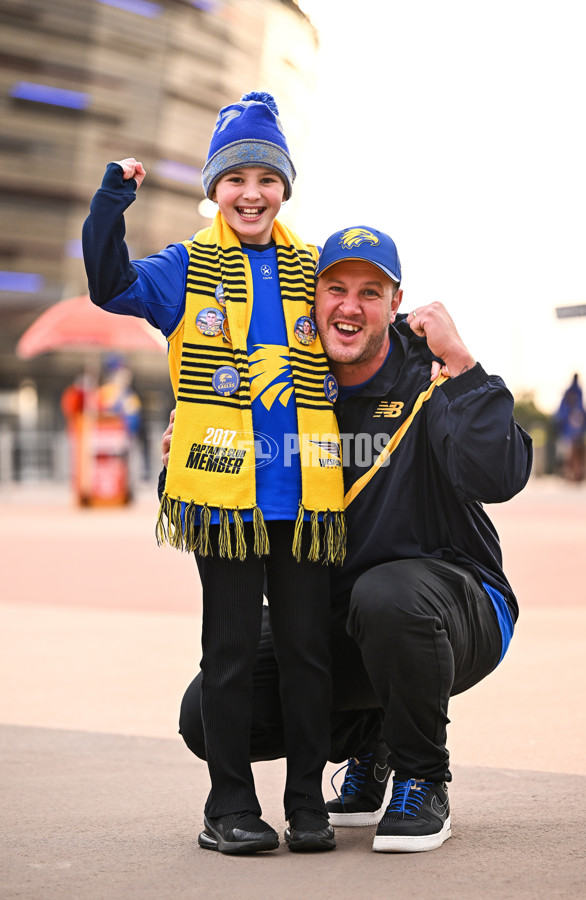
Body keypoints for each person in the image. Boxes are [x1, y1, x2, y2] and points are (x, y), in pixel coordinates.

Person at [171, 225, 533, 854]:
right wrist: (189, 447)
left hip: (457, 606)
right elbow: (218, 500)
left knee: (386, 597)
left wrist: (466, 365)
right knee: (207, 712)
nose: (349, 307)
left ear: (396, 304)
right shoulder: (284, 386)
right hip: (338, 619)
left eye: (371, 292)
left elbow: (500, 476)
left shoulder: (430, 377)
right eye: (334, 288)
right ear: (311, 300)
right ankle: (372, 740)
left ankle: (423, 778)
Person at [82, 92, 347, 854]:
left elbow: (361, 343)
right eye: (236, 179)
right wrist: (111, 201)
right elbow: (108, 284)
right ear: (214, 189)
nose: (252, 193)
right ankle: (229, 807)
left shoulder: (313, 267)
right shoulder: (185, 267)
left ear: (285, 188)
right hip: (220, 500)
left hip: (305, 496)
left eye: (267, 177)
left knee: (306, 654)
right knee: (230, 655)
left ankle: (307, 806)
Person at [554, 373, 586, 482]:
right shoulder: (571, 395)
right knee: (570, 454)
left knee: (576, 454)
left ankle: (577, 474)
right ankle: (572, 474)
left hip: (577, 433)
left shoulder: (578, 394)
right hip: (569, 434)